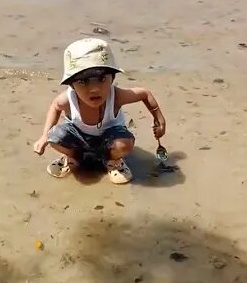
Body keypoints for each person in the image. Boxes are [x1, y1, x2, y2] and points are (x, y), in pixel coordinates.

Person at [31, 37, 166, 184]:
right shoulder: (68, 100)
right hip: (79, 138)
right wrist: (44, 136)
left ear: (112, 78)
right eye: (83, 82)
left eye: (101, 79)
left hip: (110, 139)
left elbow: (144, 94)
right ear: (71, 85)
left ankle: (113, 161)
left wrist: (159, 119)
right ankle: (74, 156)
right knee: (54, 137)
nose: (94, 89)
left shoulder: (117, 96)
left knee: (124, 144)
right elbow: (55, 107)